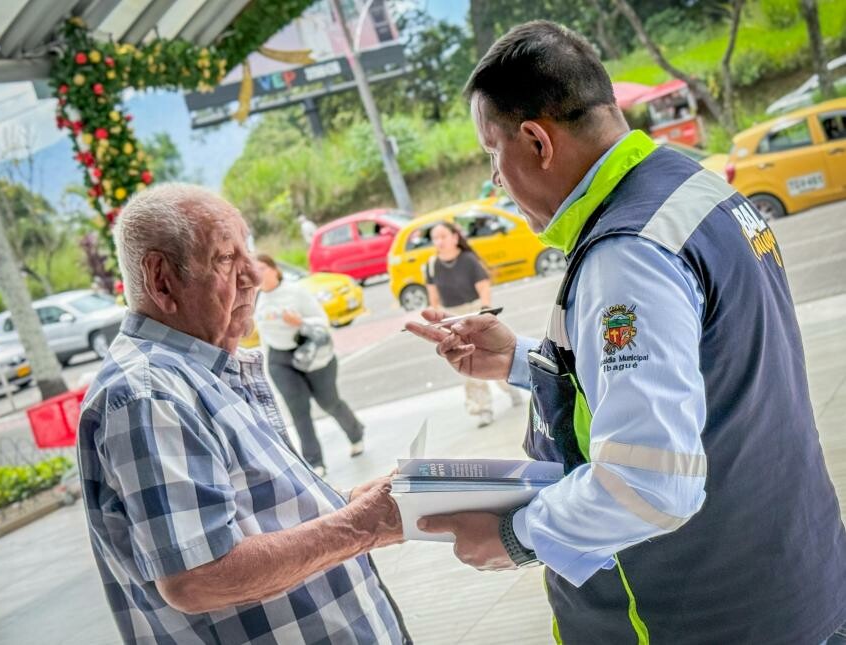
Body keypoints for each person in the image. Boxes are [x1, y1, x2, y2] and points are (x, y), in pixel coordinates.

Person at [406, 21, 846, 644]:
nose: (496, 181)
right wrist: (523, 360)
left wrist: (515, 535)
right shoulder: (691, 188)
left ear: (536, 141)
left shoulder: (627, 253)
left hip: (704, 615)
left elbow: (650, 483)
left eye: (491, 154)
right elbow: (703, 366)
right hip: (798, 574)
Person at [77, 184, 409, 644]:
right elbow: (198, 577)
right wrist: (362, 525)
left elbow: (260, 514)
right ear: (161, 280)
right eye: (225, 258)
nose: (253, 273)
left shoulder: (198, 369)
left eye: (247, 251)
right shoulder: (149, 394)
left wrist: (352, 503)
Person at [254, 253, 365, 477]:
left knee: (328, 402)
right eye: (253, 270)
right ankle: (315, 462)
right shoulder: (255, 298)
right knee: (298, 411)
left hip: (313, 354)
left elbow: (322, 322)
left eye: (262, 268)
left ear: (275, 270)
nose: (258, 274)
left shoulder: (295, 291)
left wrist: (300, 322)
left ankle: (356, 433)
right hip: (280, 359)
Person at [425, 221, 522, 427]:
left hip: (474, 311)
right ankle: (482, 408)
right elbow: (432, 296)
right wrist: (436, 319)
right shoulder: (432, 265)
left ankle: (511, 386)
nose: (439, 241)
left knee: (489, 356)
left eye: (443, 236)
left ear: (454, 237)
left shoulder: (468, 260)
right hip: (450, 316)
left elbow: (483, 286)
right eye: (435, 238)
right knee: (466, 360)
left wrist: (485, 310)